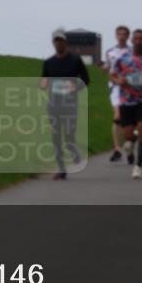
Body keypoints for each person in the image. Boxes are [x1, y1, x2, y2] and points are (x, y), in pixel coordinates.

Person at [110, 29, 142, 179]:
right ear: (132, 41)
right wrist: (118, 80)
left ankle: (138, 166)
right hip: (126, 100)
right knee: (128, 133)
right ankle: (130, 143)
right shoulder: (123, 58)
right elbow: (112, 74)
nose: (139, 41)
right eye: (136, 39)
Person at [40, 29, 90, 180]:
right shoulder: (48, 62)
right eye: (56, 41)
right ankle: (61, 169)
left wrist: (76, 87)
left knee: (68, 137)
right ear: (53, 43)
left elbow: (86, 79)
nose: (58, 43)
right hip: (54, 104)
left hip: (70, 104)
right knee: (56, 137)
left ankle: (73, 151)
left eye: (61, 40)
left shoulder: (75, 60)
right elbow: (44, 79)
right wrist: (42, 83)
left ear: (65, 42)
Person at [102, 25, 131, 162]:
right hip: (115, 87)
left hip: (129, 87)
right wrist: (105, 68)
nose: (122, 36)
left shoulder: (131, 52)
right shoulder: (110, 52)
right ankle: (117, 148)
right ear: (115, 35)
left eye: (124, 34)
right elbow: (108, 67)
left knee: (130, 121)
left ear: (128, 36)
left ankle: (130, 148)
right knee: (117, 116)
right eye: (119, 34)